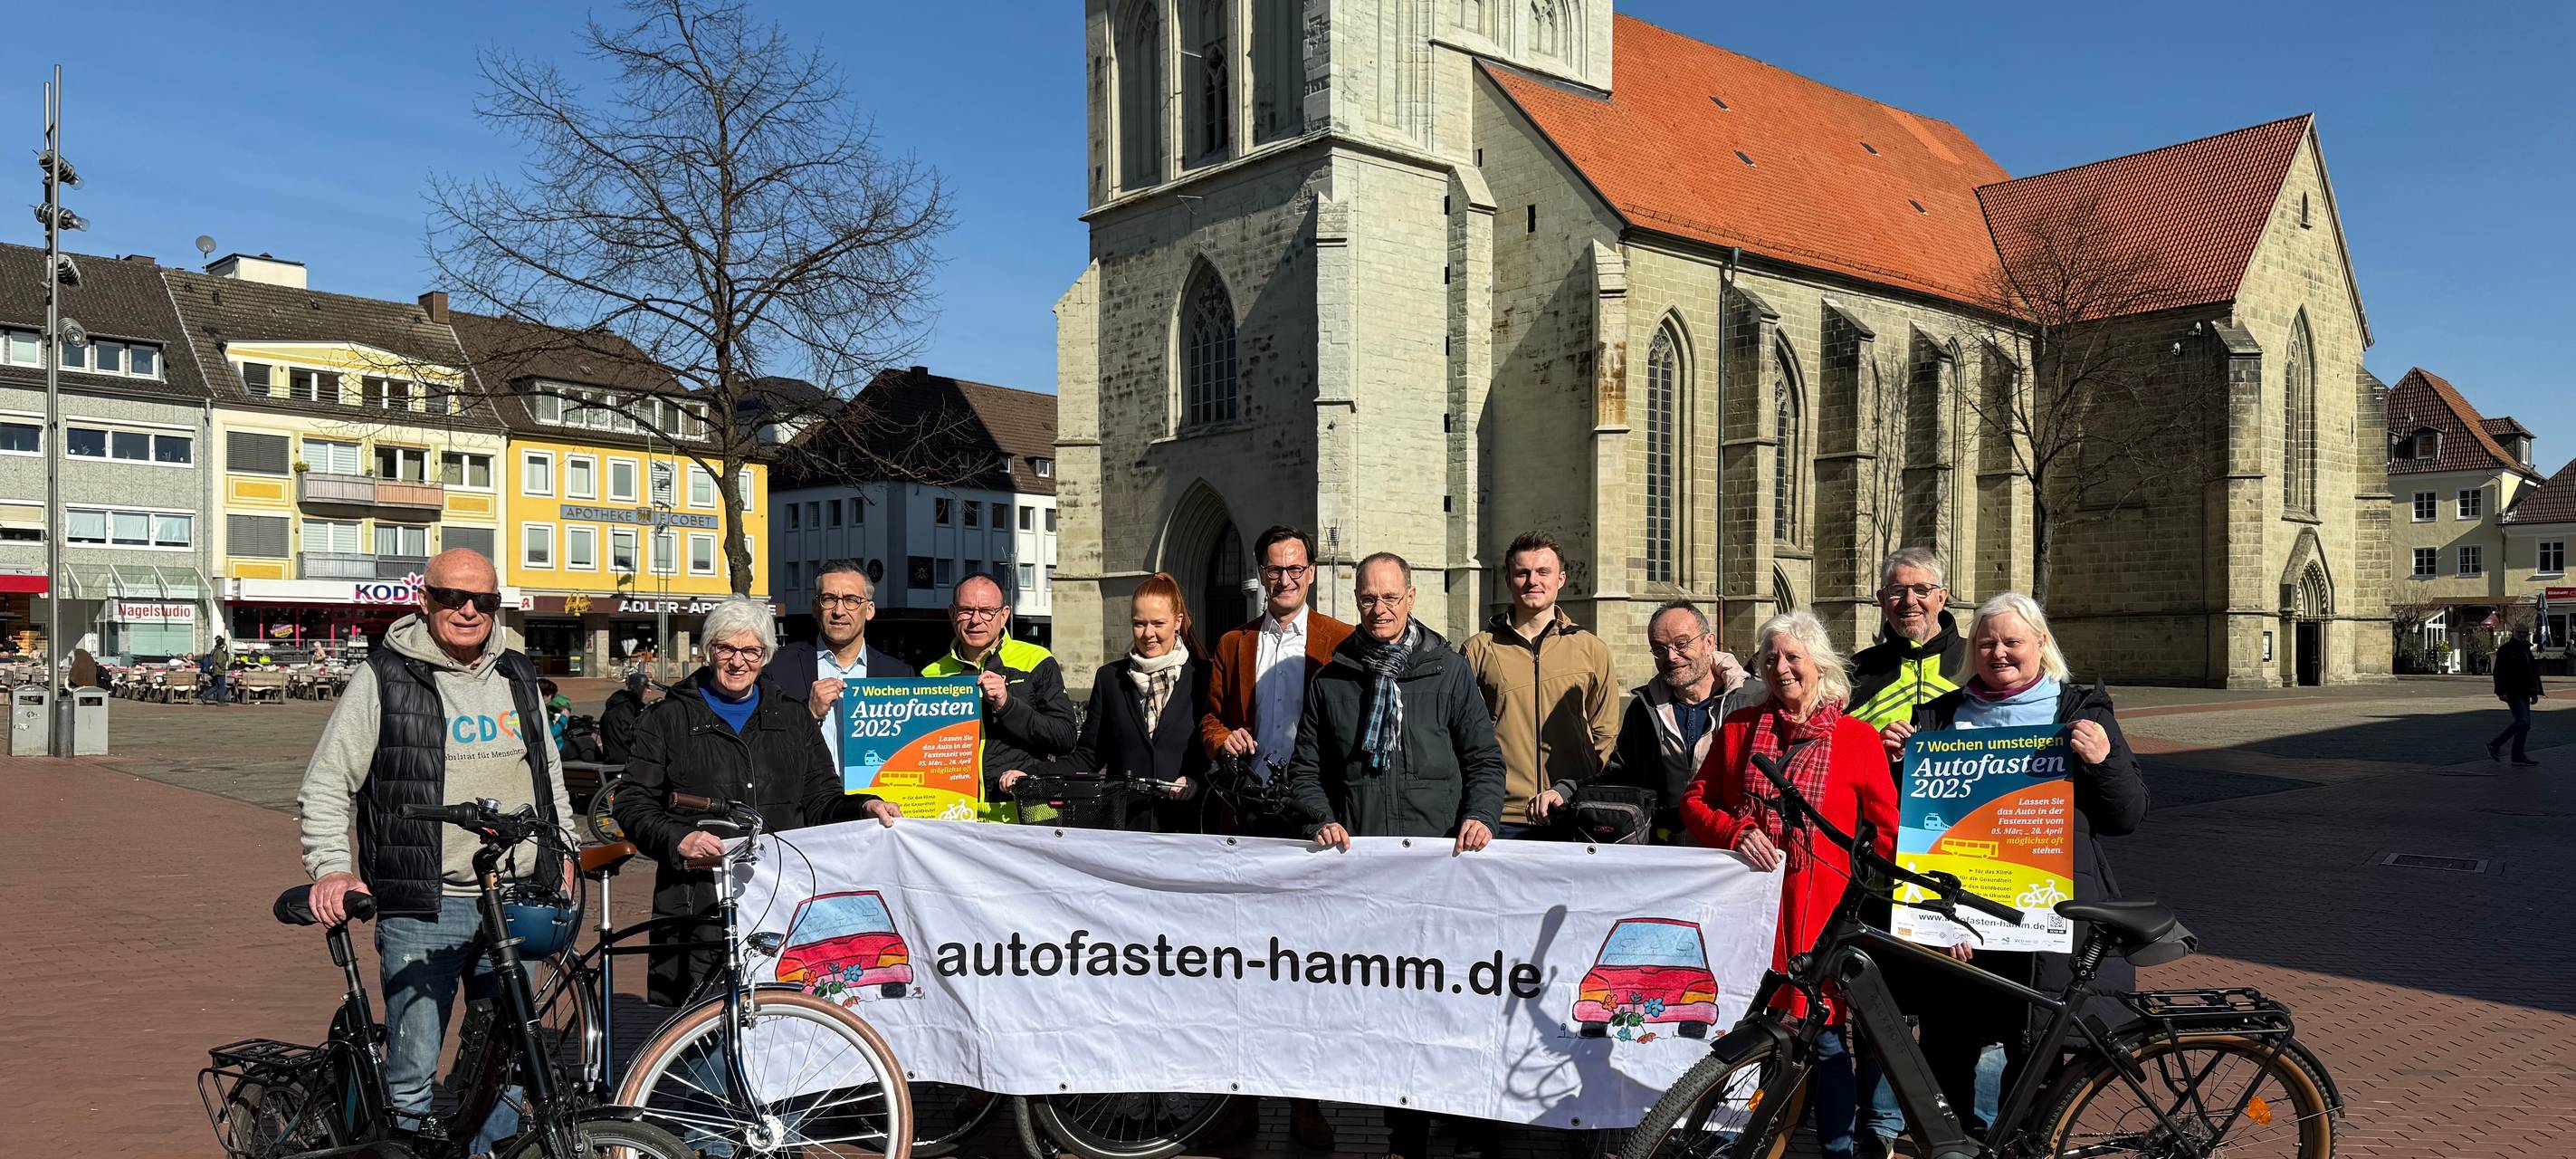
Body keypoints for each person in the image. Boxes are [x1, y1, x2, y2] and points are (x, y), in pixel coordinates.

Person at [294, 548, 573, 1154]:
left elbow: (547, 775)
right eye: (452, 597)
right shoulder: (384, 677)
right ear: (425, 601)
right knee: (413, 1067)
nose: (468, 610)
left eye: (484, 600)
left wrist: (564, 850)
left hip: (515, 901)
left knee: (506, 1064)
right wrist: (332, 867)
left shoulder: (517, 673)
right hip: (426, 903)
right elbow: (328, 782)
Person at [1878, 591, 2147, 1139]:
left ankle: (2018, 1147)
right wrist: (1899, 761)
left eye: (2011, 642)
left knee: (2034, 1066)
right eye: (1986, 643)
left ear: (2041, 644)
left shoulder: (2079, 712)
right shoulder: (1939, 716)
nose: (1998, 652)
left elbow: (2127, 816)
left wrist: (2104, 761)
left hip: (2043, 924)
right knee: (1946, 1058)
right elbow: (1917, 823)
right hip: (1960, 925)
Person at [1283, 551, 1503, 1159]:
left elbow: (1484, 761)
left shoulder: (1448, 672)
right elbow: (1306, 771)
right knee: (1391, 1011)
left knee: (1451, 1003)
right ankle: (1404, 1137)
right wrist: (1321, 817)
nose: (1378, 609)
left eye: (1389, 597)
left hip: (1441, 869)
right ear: (1356, 600)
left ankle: (1469, 1124)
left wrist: (1481, 816)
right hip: (1371, 875)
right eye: (1367, 599)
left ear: (1410, 597)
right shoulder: (1333, 679)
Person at [611, 597, 901, 1005]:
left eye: (751, 650)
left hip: (780, 902)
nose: (737, 662)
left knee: (781, 1020)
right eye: (726, 648)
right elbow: (632, 802)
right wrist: (679, 838)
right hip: (700, 904)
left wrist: (863, 807)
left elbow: (821, 799)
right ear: (707, 650)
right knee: (705, 1029)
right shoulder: (667, 718)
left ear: (765, 656)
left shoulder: (792, 717)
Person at [1683, 610, 1898, 1159]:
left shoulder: (1857, 739)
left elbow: (1888, 833)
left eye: (1792, 657)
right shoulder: (1738, 730)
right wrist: (1735, 832)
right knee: (1744, 1035)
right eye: (1770, 657)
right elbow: (1695, 802)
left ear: (1819, 664)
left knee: (1823, 1041)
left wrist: (1871, 892)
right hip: (1749, 913)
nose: (1781, 667)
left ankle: (1835, 1150)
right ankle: (1738, 1142)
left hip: (1818, 919)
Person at [1194, 527, 1348, 1150]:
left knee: (1306, 968)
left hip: (1312, 820)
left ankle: (1306, 1102)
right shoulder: (1234, 643)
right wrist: (1221, 738)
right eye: (1274, 569)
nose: (1285, 579)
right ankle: (1241, 1101)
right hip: (1249, 816)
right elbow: (1210, 717)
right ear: (1261, 574)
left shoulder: (1339, 639)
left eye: (1295, 568)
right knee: (1242, 965)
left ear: (1310, 572)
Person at [1842, 548, 1967, 1154]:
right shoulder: (1858, 671)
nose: (1908, 601)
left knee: (1963, 1003)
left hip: (1962, 861)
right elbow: (1835, 750)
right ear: (1881, 600)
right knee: (1877, 1001)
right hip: (1877, 864)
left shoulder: (1975, 662)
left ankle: (1964, 1127)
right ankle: (1880, 1127)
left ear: (1943, 596)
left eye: (1920, 590)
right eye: (1896, 591)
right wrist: (1876, 750)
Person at [1463, 531, 1619, 840]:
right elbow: (1464, 736)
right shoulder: (1478, 650)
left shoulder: (1591, 649)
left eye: (1543, 572)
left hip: (1572, 811)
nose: (1532, 581)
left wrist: (1582, 792)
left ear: (1561, 579)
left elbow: (1606, 736)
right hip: (1501, 816)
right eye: (1522, 573)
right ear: (1508, 580)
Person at [1598, 599, 1760, 844]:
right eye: (1659, 649)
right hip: (1666, 850)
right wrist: (1566, 792)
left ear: (1709, 643)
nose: (1671, 657)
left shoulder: (1752, 702)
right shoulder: (1644, 708)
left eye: (1681, 644)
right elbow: (1620, 776)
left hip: (1735, 851)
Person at [1062, 573, 1212, 831]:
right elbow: (1089, 755)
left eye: (1158, 624)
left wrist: (1197, 778)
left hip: (1186, 828)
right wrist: (1030, 772)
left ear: (1177, 622)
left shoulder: (1204, 677)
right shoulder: (1110, 679)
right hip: (1125, 828)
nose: (1148, 634)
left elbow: (1216, 752)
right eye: (1139, 624)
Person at [920, 572, 1079, 815]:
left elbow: (1065, 738)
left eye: (987, 611)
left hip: (1025, 810)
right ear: (952, 613)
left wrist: (1008, 706)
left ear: (1004, 615)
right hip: (955, 813)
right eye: (966, 610)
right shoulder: (931, 674)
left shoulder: (1037, 660)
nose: (976, 620)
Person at [766, 560, 918, 766]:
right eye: (829, 599)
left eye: (851, 600)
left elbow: (907, 751)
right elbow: (763, 749)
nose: (839, 611)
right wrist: (809, 714)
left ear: (870, 610)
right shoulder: (778, 667)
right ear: (815, 608)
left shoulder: (898, 675)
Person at [2490, 629, 2545, 766]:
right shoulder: (2506, 649)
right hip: (2512, 691)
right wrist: (2501, 691)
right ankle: (2496, 744)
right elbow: (2498, 671)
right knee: (2523, 721)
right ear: (2514, 633)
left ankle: (2517, 755)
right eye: (2520, 632)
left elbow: (2532, 672)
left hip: (2525, 691)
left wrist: (2534, 692)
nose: (2522, 634)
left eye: (2525, 632)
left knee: (2525, 724)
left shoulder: (2526, 649)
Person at [599, 671, 654, 764]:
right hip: (623, 755)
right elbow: (628, 736)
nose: (649, 690)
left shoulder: (620, 703)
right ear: (638, 688)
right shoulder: (627, 708)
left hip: (612, 753)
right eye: (646, 687)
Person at [204, 635, 234, 706]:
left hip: (215, 671)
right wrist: (224, 668)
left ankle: (205, 695)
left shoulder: (214, 650)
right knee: (222, 687)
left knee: (217, 686)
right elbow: (220, 661)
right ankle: (220, 701)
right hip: (219, 671)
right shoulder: (219, 651)